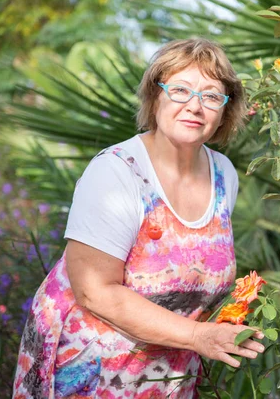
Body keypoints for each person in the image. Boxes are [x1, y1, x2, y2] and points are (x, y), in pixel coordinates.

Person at [13, 38, 265, 398]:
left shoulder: (223, 174)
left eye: (211, 96)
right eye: (180, 90)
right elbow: (94, 291)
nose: (195, 106)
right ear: (155, 96)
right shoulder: (115, 173)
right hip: (88, 368)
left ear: (226, 110)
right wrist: (197, 335)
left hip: (167, 371)